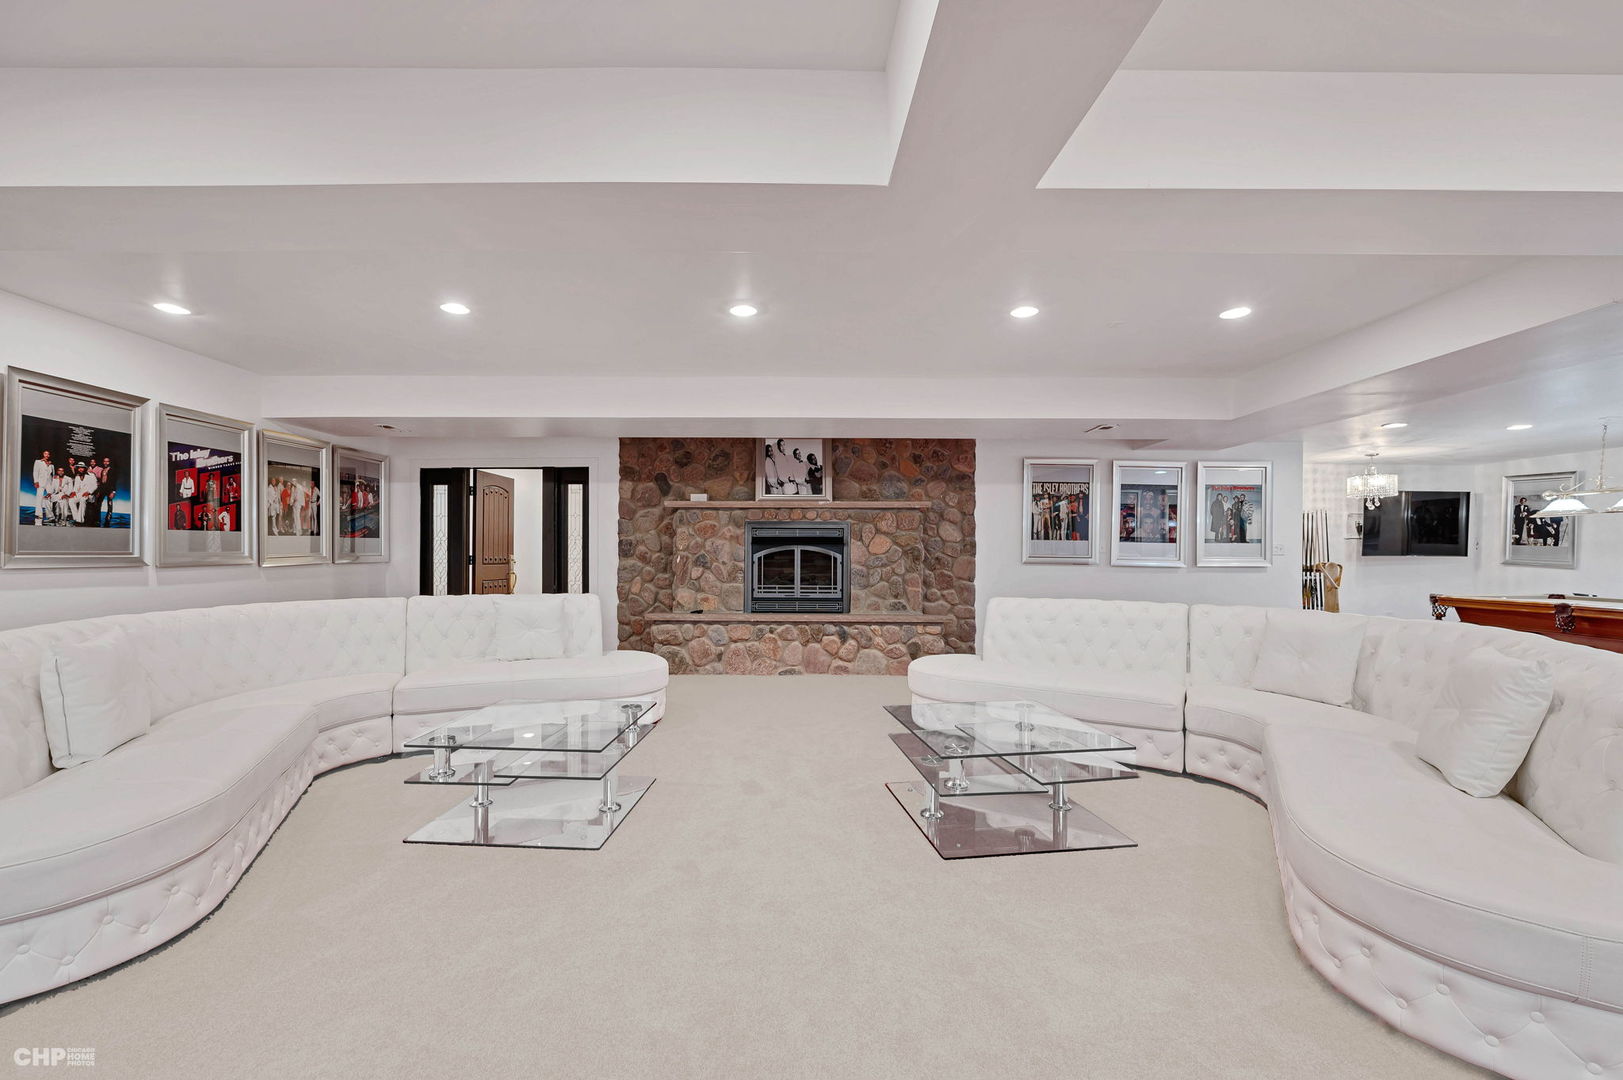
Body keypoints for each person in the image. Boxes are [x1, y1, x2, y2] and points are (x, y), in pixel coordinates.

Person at [30, 450, 53, 525]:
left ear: (49, 455)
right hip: (40, 482)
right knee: (39, 497)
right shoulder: (38, 462)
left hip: (49, 483)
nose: (47, 455)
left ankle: (50, 515)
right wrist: (36, 481)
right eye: (45, 453)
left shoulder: (51, 464)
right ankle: (38, 514)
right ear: (43, 454)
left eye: (48, 454)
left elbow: (52, 474)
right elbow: (35, 471)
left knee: (49, 497)